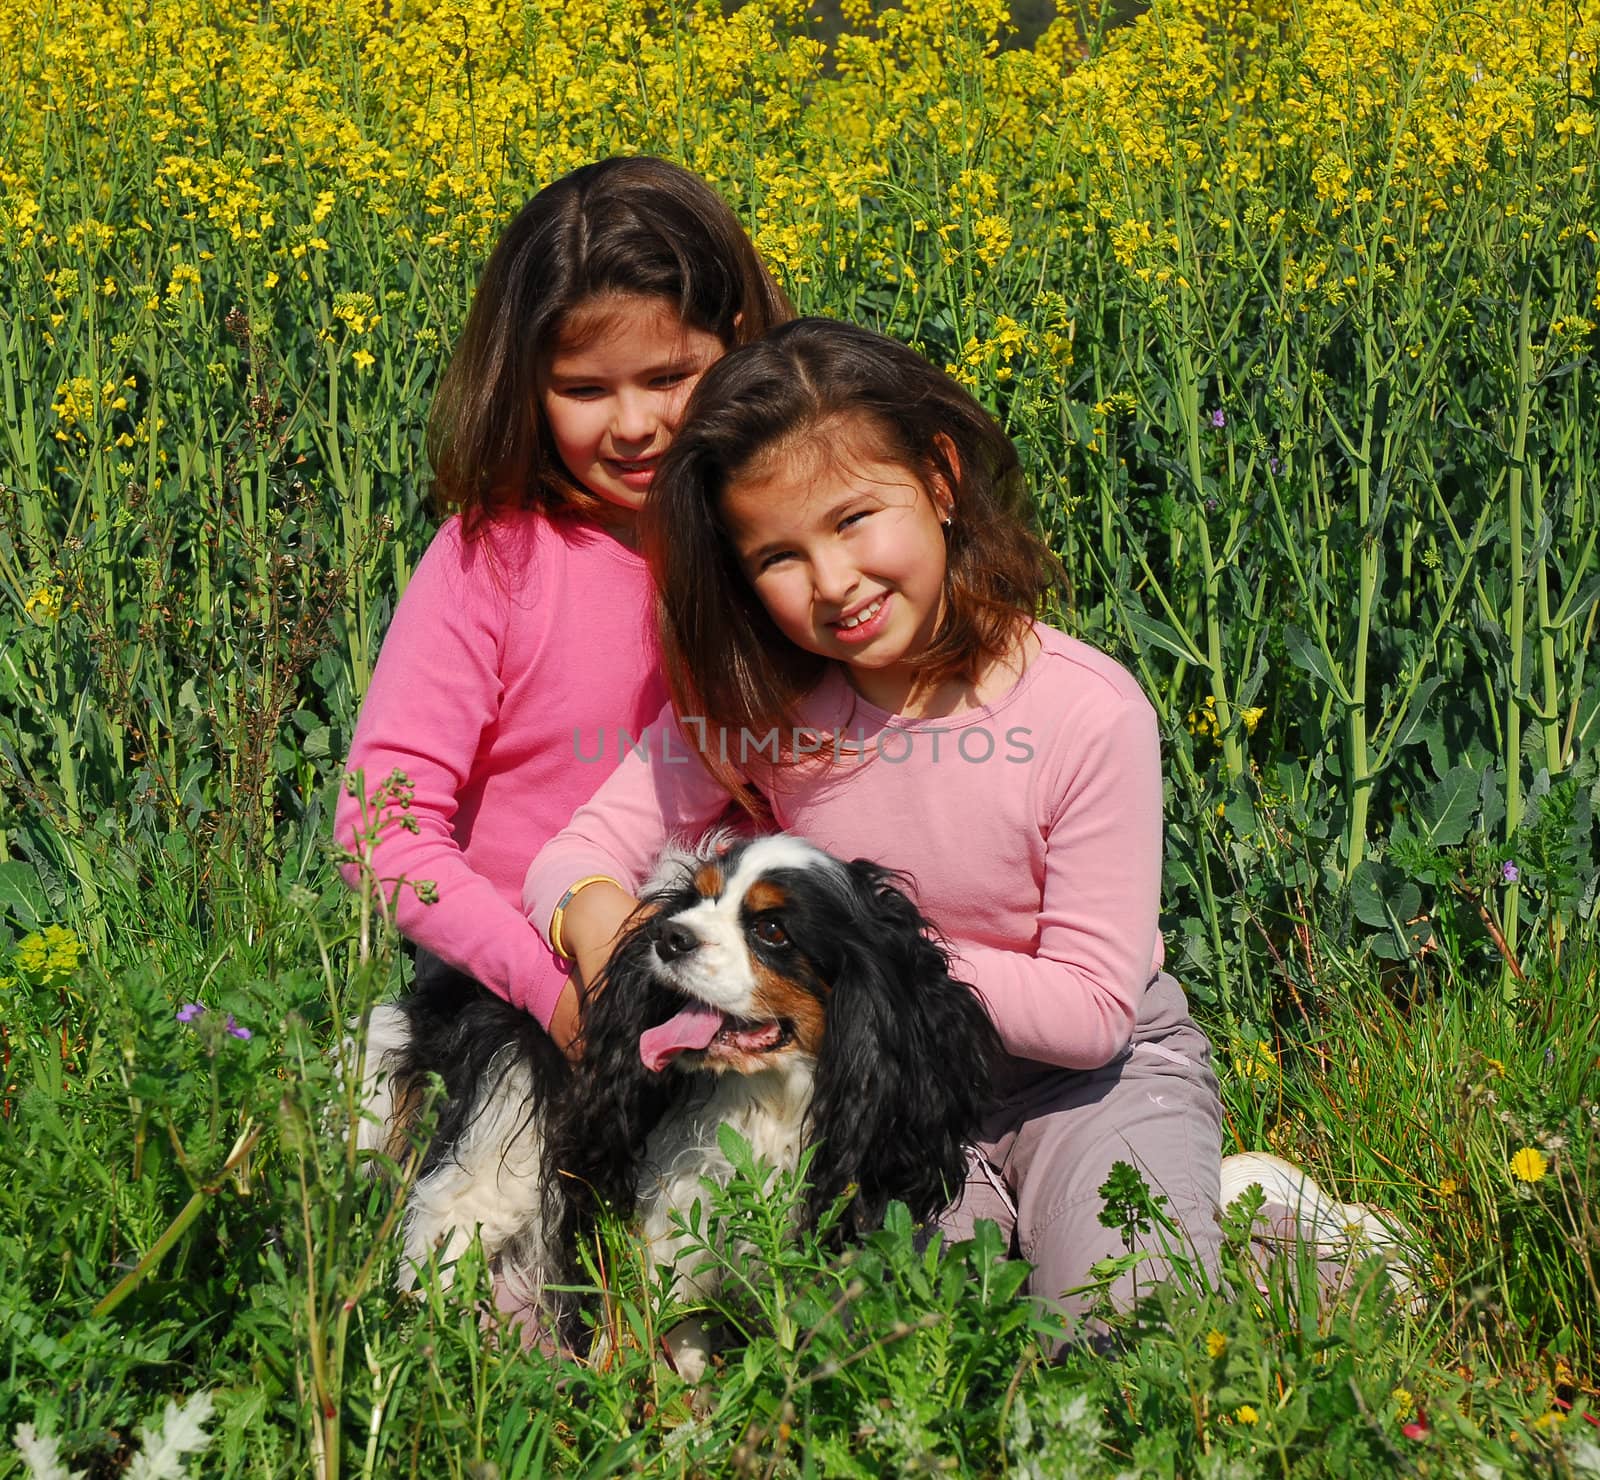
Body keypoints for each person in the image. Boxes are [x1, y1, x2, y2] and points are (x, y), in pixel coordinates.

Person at [523, 318, 1225, 1331]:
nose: (833, 581)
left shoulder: (1087, 710)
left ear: (940, 480)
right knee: (891, 1332)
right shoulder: (757, 709)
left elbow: (1089, 1010)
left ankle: (1274, 1228)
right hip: (873, 1096)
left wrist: (876, 975)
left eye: (855, 519)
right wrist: (599, 918)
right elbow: (574, 854)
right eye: (778, 555)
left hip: (1085, 1087)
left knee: (1122, 1323)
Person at [334, 157, 793, 1057]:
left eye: (670, 376)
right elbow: (382, 831)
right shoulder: (491, 560)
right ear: (525, 382)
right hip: (518, 998)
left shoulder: (786, 544)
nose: (632, 425)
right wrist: (550, 994)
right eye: (584, 390)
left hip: (740, 992)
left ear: (739, 343)